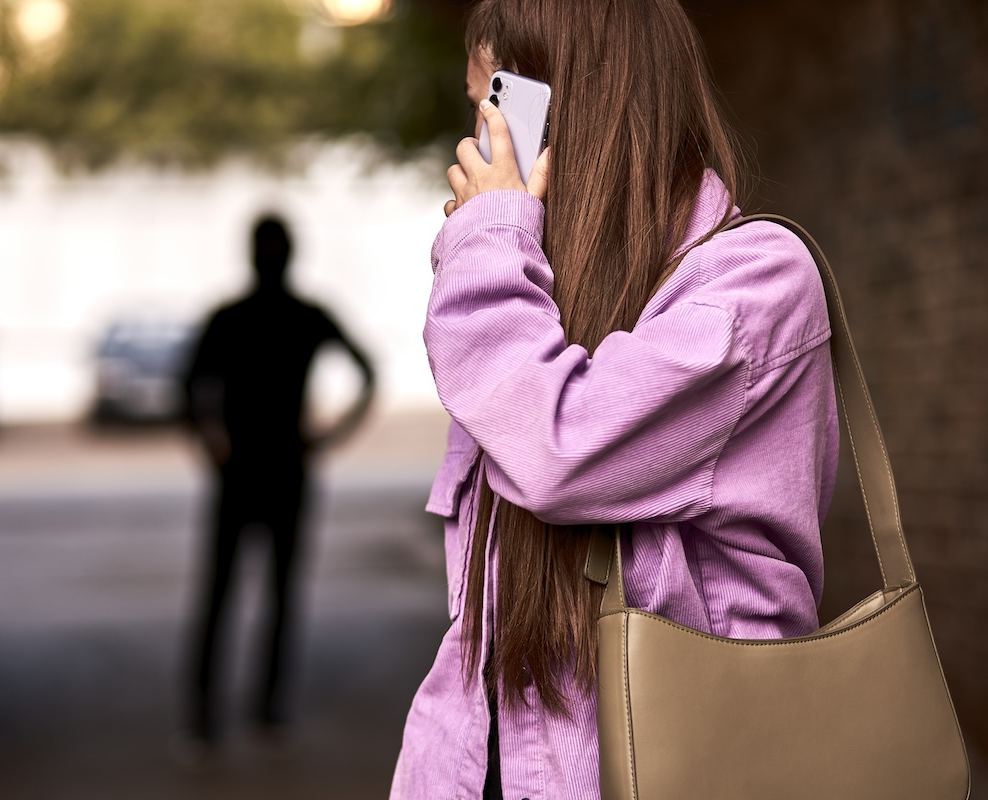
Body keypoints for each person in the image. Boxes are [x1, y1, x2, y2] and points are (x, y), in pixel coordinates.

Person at [391, 1, 838, 798]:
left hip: (691, 764)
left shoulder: (756, 284)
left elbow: (557, 448)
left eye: (491, 108)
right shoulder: (538, 305)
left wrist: (492, 238)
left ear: (565, 105)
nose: (476, 144)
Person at [180, 214, 375, 747]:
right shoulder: (304, 316)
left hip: (246, 471)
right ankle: (263, 710)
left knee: (227, 593)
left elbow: (189, 387)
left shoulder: (231, 317)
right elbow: (367, 373)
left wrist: (212, 441)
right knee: (272, 594)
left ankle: (211, 716)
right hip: (281, 468)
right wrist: (328, 437)